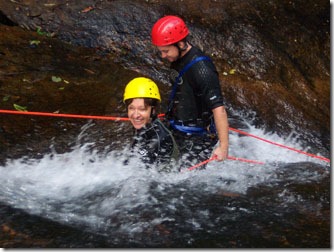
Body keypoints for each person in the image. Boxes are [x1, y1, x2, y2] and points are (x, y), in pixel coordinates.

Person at [151, 15, 229, 168]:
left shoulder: (202, 69)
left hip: (199, 136)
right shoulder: (177, 58)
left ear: (180, 43)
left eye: (166, 51)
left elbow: (219, 109)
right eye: (161, 51)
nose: (163, 56)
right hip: (176, 127)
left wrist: (224, 147)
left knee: (184, 181)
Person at [123, 77, 180, 172]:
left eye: (142, 109)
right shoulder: (146, 126)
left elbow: (135, 173)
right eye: (131, 108)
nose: (136, 115)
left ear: (153, 110)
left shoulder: (157, 138)